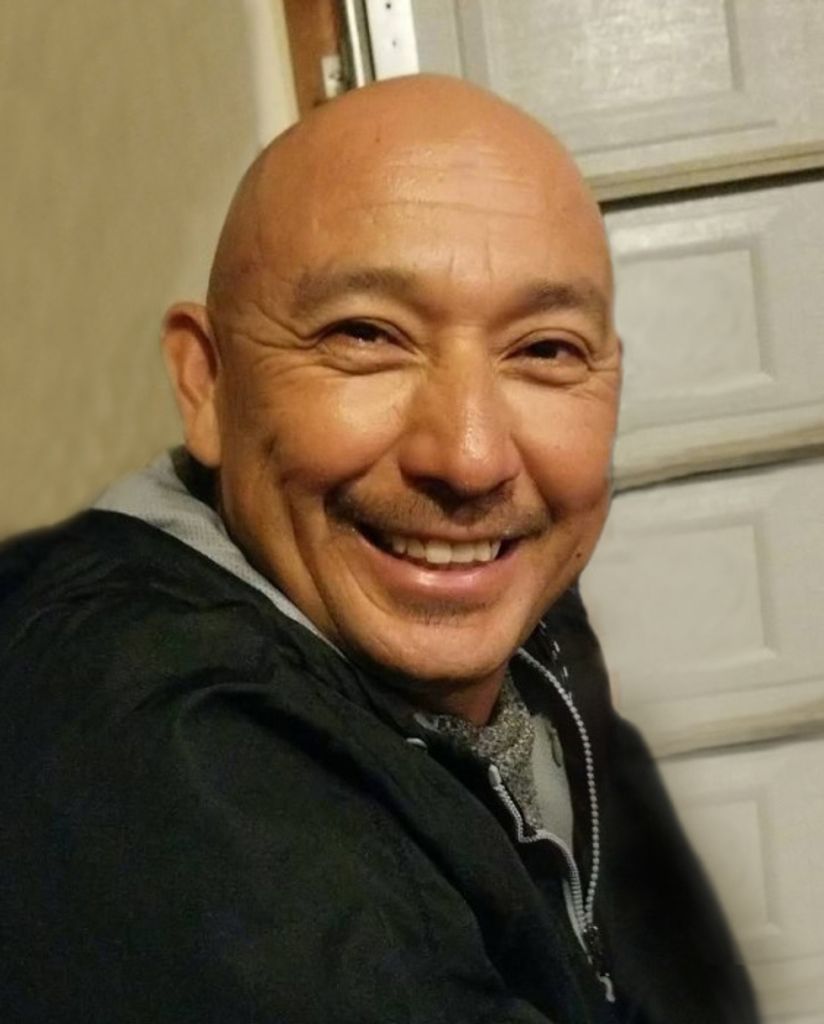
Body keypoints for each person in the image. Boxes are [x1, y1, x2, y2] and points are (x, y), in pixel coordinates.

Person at [0, 75, 757, 1023]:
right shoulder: (163, 774)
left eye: (545, 350)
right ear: (209, 383)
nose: (470, 457)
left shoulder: (516, 619)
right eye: (366, 336)